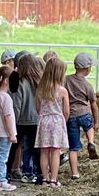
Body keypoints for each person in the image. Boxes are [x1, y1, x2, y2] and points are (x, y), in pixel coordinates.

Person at [65, 52, 99, 179]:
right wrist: (96, 122)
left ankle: (75, 173)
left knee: (73, 148)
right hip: (85, 113)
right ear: (87, 69)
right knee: (89, 126)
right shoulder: (87, 85)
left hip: (71, 115)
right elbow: (94, 105)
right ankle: (91, 142)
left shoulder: (66, 80)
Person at [35, 55, 70, 188]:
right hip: (57, 121)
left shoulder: (40, 89)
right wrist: (63, 121)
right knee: (55, 151)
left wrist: (44, 116)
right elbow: (66, 111)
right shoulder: (62, 91)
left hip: (44, 120)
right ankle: (54, 180)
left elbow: (38, 107)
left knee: (44, 151)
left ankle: (45, 179)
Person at [12, 53, 44, 183]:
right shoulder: (39, 82)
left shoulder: (20, 83)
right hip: (36, 120)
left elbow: (17, 104)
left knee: (16, 147)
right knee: (35, 148)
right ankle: (40, 173)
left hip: (21, 121)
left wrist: (13, 121)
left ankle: (16, 171)